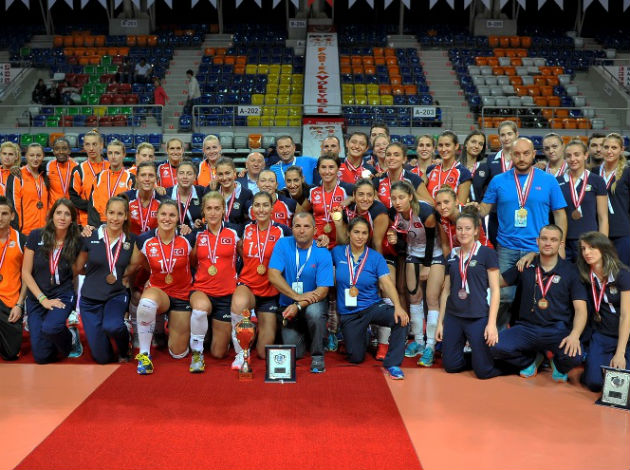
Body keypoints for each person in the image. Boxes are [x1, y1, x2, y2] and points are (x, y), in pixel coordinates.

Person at [476, 137, 567, 330]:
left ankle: (530, 339)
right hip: (507, 248)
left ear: (534, 154)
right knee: (503, 298)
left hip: (538, 250)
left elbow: (560, 214)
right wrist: (473, 209)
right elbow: (484, 209)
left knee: (535, 297)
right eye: (517, 154)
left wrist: (561, 246)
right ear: (511, 155)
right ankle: (498, 339)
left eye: (526, 153)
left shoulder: (548, 181)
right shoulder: (498, 181)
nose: (521, 158)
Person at [492, 225, 587, 382]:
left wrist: (575, 335)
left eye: (553, 240)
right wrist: (479, 264)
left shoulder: (571, 271)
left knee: (575, 356)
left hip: (557, 329)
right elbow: (498, 281)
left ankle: (557, 363)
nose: (548, 243)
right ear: (537, 241)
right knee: (494, 346)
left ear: (561, 244)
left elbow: (581, 310)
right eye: (544, 239)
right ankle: (531, 361)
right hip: (526, 328)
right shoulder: (526, 264)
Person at [332, 217, 409, 379]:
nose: (360, 237)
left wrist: (398, 306)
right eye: (356, 232)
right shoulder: (337, 253)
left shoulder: (375, 257)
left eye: (364, 233)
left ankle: (393, 364)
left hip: (371, 306)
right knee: (356, 357)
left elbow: (386, 283)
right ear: (349, 233)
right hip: (349, 312)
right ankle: (364, 333)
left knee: (400, 320)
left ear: (368, 235)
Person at [124, 200, 194, 375]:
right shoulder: (144, 240)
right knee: (146, 303)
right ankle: (144, 354)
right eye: (163, 214)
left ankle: (174, 328)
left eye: (172, 215)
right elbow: (135, 265)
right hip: (159, 291)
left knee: (178, 353)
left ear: (178, 218)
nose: (167, 219)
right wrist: (122, 280)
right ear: (157, 216)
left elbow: (195, 263)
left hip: (182, 294)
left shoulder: (188, 238)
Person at [436, 207, 501, 379]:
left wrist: (491, 323)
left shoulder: (487, 253)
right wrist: (440, 323)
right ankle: (478, 358)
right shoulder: (452, 256)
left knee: (483, 372)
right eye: (459, 228)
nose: (463, 232)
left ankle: (497, 362)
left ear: (476, 231)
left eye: (467, 228)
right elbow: (446, 291)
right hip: (454, 316)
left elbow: (495, 290)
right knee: (450, 366)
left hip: (477, 316)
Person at [230, 191, 292, 368]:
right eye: (257, 205)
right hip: (248, 285)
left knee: (264, 352)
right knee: (239, 303)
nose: (261, 209)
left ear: (272, 208)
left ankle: (253, 328)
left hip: (270, 291)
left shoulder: (283, 231)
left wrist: (321, 240)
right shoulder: (244, 229)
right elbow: (235, 246)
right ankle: (241, 354)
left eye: (265, 205)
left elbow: (300, 243)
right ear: (252, 209)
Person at [387, 180, 443, 367]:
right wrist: (396, 241)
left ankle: (430, 346)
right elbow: (403, 241)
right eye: (394, 198)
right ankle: (418, 341)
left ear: (410, 196)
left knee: (432, 299)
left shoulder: (425, 212)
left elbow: (431, 240)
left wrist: (427, 265)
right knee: (414, 298)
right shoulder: (393, 213)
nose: (397, 202)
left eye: (401, 197)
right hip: (413, 254)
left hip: (433, 254)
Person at [268, 212, 333, 373]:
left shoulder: (322, 252)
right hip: (289, 306)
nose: (302, 230)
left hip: (311, 304)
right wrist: (296, 297)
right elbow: (273, 275)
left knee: (315, 312)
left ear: (315, 230)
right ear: (292, 228)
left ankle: (318, 356)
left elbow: (323, 291)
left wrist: (298, 304)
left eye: (306, 226)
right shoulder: (283, 244)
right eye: (297, 226)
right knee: (294, 353)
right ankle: (311, 335)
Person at [21, 199, 83, 363]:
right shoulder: (36, 236)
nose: (62, 217)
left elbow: (78, 270)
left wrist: (89, 230)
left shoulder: (76, 240)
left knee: (51, 328)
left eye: (67, 214)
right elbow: (26, 272)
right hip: (37, 298)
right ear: (52, 215)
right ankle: (53, 334)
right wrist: (43, 299)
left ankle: (70, 339)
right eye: (58, 213)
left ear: (72, 219)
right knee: (41, 357)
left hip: (62, 294)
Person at [75, 197, 135, 364]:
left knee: (113, 326)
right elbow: (78, 267)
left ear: (126, 216)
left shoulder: (131, 240)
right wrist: (94, 273)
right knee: (103, 359)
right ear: (105, 214)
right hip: (90, 301)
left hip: (115, 296)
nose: (115, 218)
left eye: (120, 214)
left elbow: (137, 264)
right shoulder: (90, 237)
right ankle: (104, 340)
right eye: (111, 213)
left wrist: (122, 274)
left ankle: (125, 345)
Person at [188, 192, 241, 372]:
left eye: (217, 208)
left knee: (219, 353)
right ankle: (197, 354)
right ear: (203, 210)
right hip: (202, 290)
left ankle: (214, 333)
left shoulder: (235, 232)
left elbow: (246, 258)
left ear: (224, 210)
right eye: (209, 208)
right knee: (200, 310)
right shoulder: (196, 234)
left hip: (226, 294)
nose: (212, 213)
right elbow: (192, 262)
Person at [577, 231, 630, 391]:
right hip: (603, 334)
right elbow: (559, 264)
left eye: (592, 247)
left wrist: (620, 353)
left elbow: (626, 316)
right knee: (594, 383)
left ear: (603, 249)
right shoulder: (584, 274)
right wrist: (532, 255)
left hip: (626, 335)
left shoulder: (622, 275)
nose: (587, 252)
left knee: (623, 385)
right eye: (583, 248)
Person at [558, 140, 608, 262]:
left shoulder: (597, 181)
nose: (572, 159)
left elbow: (603, 217)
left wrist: (602, 245)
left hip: (590, 242)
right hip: (565, 242)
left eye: (577, 154)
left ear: (585, 155)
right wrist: (560, 245)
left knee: (587, 274)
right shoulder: (557, 182)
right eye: (568, 156)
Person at [474, 120, 520, 246]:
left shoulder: (524, 159)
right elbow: (480, 184)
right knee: (495, 247)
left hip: (519, 213)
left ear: (517, 134)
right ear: (499, 138)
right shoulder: (491, 160)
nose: (506, 138)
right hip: (496, 214)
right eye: (503, 135)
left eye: (509, 134)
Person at [593, 133, 630, 266]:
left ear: (622, 150)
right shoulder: (594, 172)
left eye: (614, 148)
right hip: (597, 231)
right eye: (606, 147)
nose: (609, 151)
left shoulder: (627, 172)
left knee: (622, 272)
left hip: (622, 232)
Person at [301, 154, 353, 249]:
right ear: (318, 170)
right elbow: (301, 215)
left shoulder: (347, 190)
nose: (327, 171)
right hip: (317, 243)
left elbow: (366, 197)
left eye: (331, 167)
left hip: (340, 244)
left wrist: (352, 199)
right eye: (323, 167)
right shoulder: (312, 191)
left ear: (338, 169)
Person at [0, 197, 27, 361]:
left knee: (11, 354)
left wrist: (19, 305)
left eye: (4, 213)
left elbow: (27, 276)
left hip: (10, 302)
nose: (0, 218)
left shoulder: (21, 240)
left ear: (12, 216)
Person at [87, 140, 135, 227]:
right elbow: (92, 205)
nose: (113, 157)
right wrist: (96, 227)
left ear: (124, 155)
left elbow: (131, 207)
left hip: (121, 225)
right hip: (100, 224)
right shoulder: (99, 177)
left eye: (117, 153)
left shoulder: (131, 178)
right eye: (110, 153)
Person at [435, 185, 493, 257]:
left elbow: (475, 242)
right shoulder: (441, 218)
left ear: (456, 201)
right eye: (439, 203)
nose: (442, 207)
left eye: (446, 202)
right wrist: (449, 262)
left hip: (481, 253)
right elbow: (445, 245)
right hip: (459, 255)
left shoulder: (469, 213)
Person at [373, 142, 432, 208]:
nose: (391, 158)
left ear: (404, 159)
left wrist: (411, 195)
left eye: (396, 155)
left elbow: (431, 203)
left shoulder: (413, 178)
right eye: (388, 155)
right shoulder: (378, 179)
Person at [7, 143, 48, 235]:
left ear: (43, 156)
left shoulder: (45, 176)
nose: (35, 159)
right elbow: (13, 206)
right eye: (31, 155)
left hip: (44, 231)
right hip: (25, 232)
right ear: (25, 156)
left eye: (38, 155)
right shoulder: (17, 176)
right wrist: (17, 231)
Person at [70, 129, 109, 227]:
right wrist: (92, 208)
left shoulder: (110, 167)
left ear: (101, 145)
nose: (91, 148)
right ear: (84, 147)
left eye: (94, 144)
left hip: (110, 221)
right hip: (86, 224)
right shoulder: (79, 170)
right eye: (87, 144)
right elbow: (74, 197)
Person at [425, 130, 472, 204]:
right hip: (429, 211)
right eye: (440, 145)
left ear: (456, 146)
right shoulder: (430, 170)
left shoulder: (463, 173)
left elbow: (461, 206)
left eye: (447, 145)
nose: (443, 149)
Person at [166, 160, 205, 232]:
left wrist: (202, 223)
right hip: (174, 235)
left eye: (189, 174)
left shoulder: (202, 192)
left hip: (198, 235)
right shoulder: (167, 194)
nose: (185, 177)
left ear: (195, 177)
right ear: (176, 176)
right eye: (181, 173)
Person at [215, 157, 252, 230]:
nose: (224, 178)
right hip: (217, 235)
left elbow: (250, 221)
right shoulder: (213, 193)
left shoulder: (246, 194)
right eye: (220, 174)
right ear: (216, 175)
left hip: (238, 236)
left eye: (227, 173)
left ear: (234, 172)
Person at [461, 131, 486, 202]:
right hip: (459, 207)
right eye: (473, 142)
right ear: (466, 144)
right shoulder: (456, 167)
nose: (477, 146)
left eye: (480, 144)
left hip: (478, 208)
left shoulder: (486, 169)